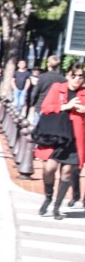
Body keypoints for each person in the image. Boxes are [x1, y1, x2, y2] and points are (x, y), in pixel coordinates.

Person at [35, 68, 85, 219]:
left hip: (75, 138)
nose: (77, 79)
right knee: (49, 168)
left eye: (80, 77)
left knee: (67, 173)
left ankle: (57, 206)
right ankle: (48, 196)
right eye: (73, 75)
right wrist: (65, 106)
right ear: (68, 76)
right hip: (56, 136)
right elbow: (45, 107)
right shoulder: (58, 88)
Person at [29, 56, 66, 128]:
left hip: (41, 105)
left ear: (48, 64)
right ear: (58, 65)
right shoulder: (62, 79)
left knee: (37, 128)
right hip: (55, 107)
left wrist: (33, 103)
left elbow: (34, 93)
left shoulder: (42, 77)